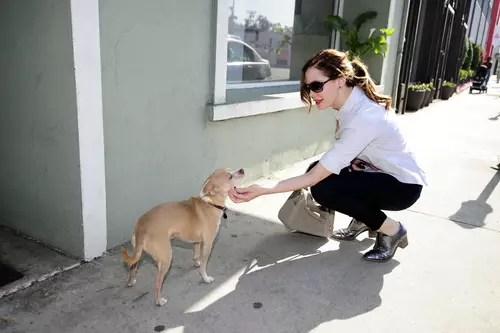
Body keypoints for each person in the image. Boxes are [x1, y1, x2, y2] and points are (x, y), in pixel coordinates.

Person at [229, 49, 427, 263]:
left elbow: (314, 178)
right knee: (320, 169)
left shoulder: (364, 117)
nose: (312, 94)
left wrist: (262, 190)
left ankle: (391, 229)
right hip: (379, 173)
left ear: (340, 81)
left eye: (317, 86)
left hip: (402, 187)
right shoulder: (347, 106)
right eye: (308, 87)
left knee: (323, 187)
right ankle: (366, 218)